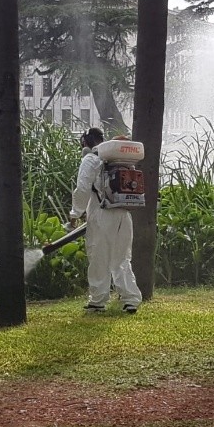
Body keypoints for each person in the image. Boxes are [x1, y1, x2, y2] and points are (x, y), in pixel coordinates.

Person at [70, 128, 142, 314]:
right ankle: (131, 299)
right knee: (122, 258)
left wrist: (75, 214)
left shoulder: (91, 159)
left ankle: (97, 301)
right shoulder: (118, 161)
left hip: (102, 214)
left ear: (85, 143)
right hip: (124, 213)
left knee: (99, 257)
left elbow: (82, 188)